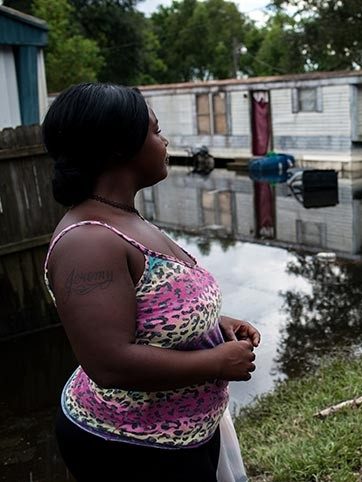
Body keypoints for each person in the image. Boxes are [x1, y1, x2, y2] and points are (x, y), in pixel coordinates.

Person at [42, 82, 259, 482]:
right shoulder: (88, 242)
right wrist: (215, 361)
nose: (165, 142)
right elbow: (108, 362)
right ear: (118, 148)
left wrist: (213, 324)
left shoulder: (124, 216)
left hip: (182, 436)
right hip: (131, 447)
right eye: (156, 132)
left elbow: (151, 306)